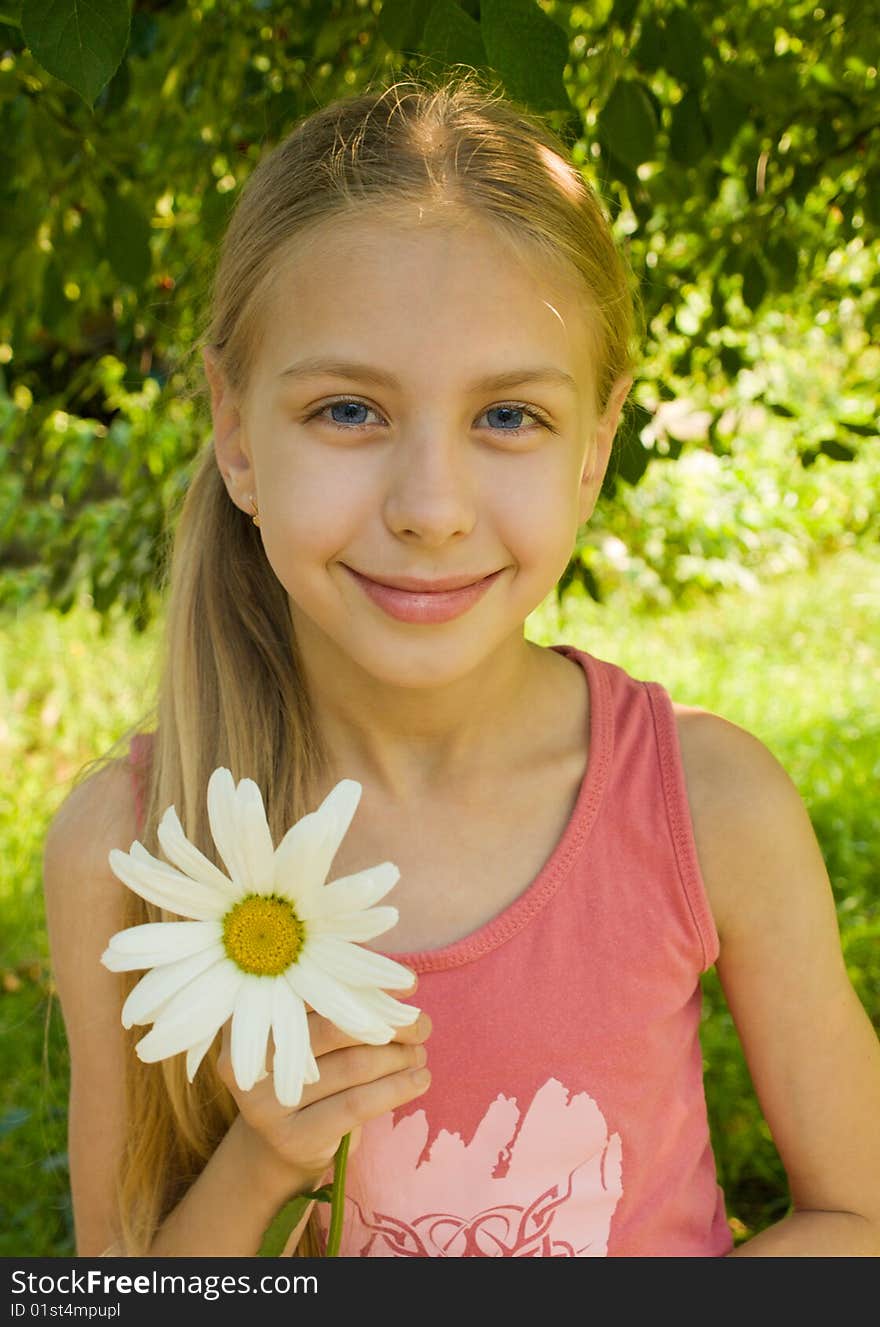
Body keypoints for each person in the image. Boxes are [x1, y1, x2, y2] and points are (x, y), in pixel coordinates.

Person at [43, 69, 880, 1260]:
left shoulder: (710, 805)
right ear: (236, 435)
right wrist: (267, 1156)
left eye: (507, 418)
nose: (431, 509)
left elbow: (861, 1217)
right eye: (347, 411)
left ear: (593, 450)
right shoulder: (127, 850)